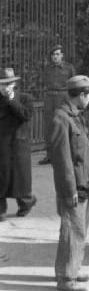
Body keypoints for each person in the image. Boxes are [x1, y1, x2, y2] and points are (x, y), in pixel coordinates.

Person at [49, 75, 89, 291]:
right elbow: (62, 161)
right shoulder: (61, 119)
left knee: (80, 228)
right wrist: (68, 190)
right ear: (81, 95)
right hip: (74, 186)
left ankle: (73, 267)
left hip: (85, 182)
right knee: (72, 230)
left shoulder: (74, 115)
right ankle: (65, 277)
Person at [0, 68, 37, 222]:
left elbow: (25, 115)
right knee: (1, 176)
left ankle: (26, 203)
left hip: (18, 143)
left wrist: (11, 100)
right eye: (2, 84)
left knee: (20, 178)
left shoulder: (25, 98)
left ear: (14, 83)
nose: (5, 87)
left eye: (8, 84)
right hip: (1, 143)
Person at [39, 45, 75, 165]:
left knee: (64, 124)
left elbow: (73, 84)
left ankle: (66, 153)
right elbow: (44, 81)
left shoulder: (69, 68)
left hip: (63, 97)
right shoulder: (47, 68)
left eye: (57, 54)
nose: (55, 57)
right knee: (49, 125)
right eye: (53, 54)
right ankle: (49, 154)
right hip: (49, 97)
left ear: (62, 55)